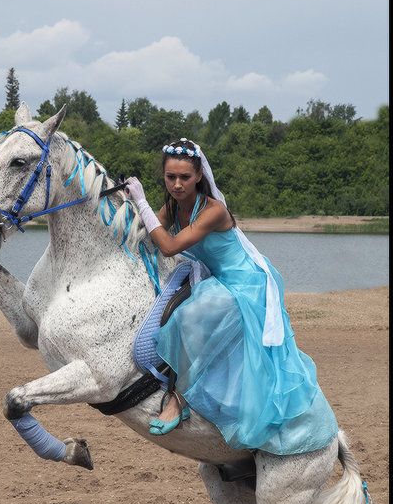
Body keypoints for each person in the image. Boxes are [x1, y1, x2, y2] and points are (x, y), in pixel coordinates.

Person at [124, 139, 338, 455]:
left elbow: (168, 246)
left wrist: (141, 202)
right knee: (187, 310)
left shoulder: (213, 210)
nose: (178, 184)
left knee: (191, 316)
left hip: (245, 281)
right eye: (171, 178)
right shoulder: (173, 207)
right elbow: (146, 234)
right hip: (218, 277)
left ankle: (180, 400)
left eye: (185, 177)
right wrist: (127, 202)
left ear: (199, 175)